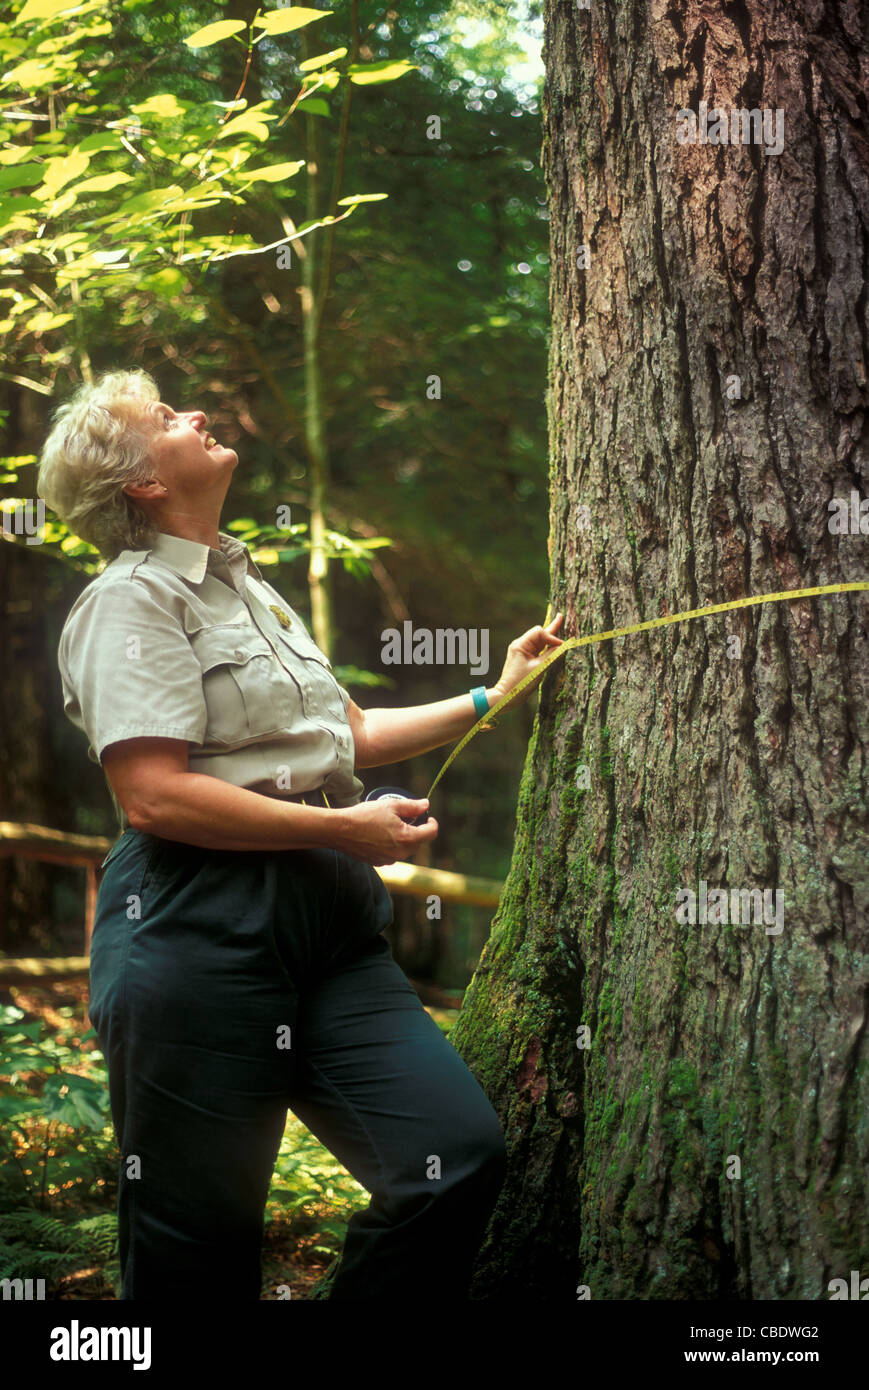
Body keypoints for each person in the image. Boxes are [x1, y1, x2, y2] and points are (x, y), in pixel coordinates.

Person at [37, 368, 565, 1301]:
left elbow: (346, 735)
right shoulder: (129, 602)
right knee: (195, 1249)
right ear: (143, 486)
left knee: (453, 1157)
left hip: (327, 932)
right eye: (167, 418)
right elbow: (155, 797)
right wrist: (345, 832)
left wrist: (494, 693)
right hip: (194, 926)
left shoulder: (248, 586)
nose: (195, 415)